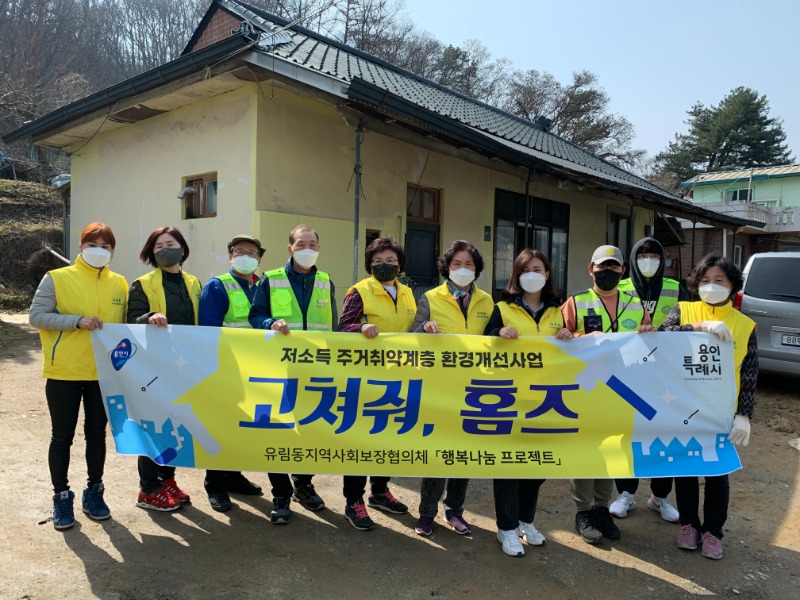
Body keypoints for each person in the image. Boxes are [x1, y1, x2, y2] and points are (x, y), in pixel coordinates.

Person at [29, 222, 128, 530]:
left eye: (106, 246)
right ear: (81, 247)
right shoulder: (57, 278)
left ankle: (94, 492)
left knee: (97, 436)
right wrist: (77, 321)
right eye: (93, 244)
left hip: (103, 375)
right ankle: (61, 497)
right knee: (62, 437)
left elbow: (125, 326)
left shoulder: (120, 284)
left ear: (112, 251)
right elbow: (36, 316)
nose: (99, 250)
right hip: (64, 372)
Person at [659, 253, 757, 560]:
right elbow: (660, 338)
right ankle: (689, 525)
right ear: (695, 284)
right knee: (686, 469)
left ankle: (714, 532)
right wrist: (699, 326)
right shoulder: (684, 310)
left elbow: (750, 371)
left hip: (721, 412)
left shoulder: (745, 325)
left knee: (717, 472)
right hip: (684, 408)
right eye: (705, 281)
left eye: (719, 281)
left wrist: (744, 415)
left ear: (732, 286)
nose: (711, 286)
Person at [561, 244, 655, 544]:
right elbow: (558, 341)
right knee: (586, 449)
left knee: (611, 450)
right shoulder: (576, 302)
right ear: (591, 269)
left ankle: (602, 507)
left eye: (613, 267)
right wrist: (584, 338)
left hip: (621, 392)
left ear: (622, 271)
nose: (607, 272)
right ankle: (583, 511)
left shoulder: (635, 303)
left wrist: (648, 336)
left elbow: (650, 344)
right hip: (586, 389)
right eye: (602, 267)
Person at [484, 248, 572, 556]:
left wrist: (566, 334)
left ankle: (526, 521)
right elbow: (482, 343)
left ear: (547, 274)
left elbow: (570, 348)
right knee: (508, 465)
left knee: (537, 464)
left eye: (538, 269)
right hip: (509, 397)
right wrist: (498, 332)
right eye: (525, 270)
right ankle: (506, 528)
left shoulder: (557, 309)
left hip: (545, 399)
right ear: (516, 276)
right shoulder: (502, 307)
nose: (532, 274)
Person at [249, 224, 338, 519]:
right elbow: (255, 316)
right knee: (278, 431)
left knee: (310, 430)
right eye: (300, 245)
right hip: (278, 369)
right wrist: (270, 323)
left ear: (319, 248)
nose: (307, 249)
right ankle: (281, 494)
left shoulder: (326, 281)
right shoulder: (271, 280)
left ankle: (304, 485)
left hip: (315, 370)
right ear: (289, 249)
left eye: (312, 244)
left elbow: (333, 328)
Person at [410, 239, 493, 537]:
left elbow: (494, 338)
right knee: (438, 454)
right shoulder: (430, 298)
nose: (462, 269)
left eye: (469, 264)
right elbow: (412, 336)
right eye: (456, 264)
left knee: (464, 456)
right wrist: (424, 328)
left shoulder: (486, 301)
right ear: (447, 267)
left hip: (475, 389)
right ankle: (426, 513)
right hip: (440, 389)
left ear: (477, 269)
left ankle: (455, 511)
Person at [337, 237, 416, 530]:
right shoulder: (359, 291)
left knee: (388, 438)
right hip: (365, 379)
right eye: (379, 261)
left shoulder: (408, 293)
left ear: (400, 265)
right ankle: (352, 501)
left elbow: (413, 329)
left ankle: (380, 492)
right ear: (370, 263)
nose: (385, 265)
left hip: (398, 379)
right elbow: (342, 327)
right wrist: (361, 327)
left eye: (391, 261)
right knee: (361, 441)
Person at [611, 237, 686, 522]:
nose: (649, 260)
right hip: (628, 372)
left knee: (663, 433)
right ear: (632, 259)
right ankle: (626, 493)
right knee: (627, 432)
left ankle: (660, 497)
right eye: (643, 255)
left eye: (655, 255)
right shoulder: (621, 288)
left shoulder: (675, 288)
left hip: (665, 375)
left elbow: (688, 327)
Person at [128, 226, 200, 511]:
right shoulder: (143, 283)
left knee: (174, 426)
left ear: (182, 249)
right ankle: (149, 488)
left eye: (170, 244)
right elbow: (131, 319)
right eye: (158, 247)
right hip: (153, 367)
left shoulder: (194, 282)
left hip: (184, 367)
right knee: (153, 425)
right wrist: (149, 316)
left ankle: (167, 479)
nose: (164, 250)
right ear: (151, 253)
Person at [198, 234, 266, 512]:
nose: (245, 256)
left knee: (242, 428)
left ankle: (234, 475)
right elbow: (208, 331)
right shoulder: (218, 286)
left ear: (259, 258)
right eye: (239, 251)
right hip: (225, 369)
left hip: (257, 370)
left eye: (251, 252)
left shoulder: (264, 285)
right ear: (230, 257)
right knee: (221, 426)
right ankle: (214, 482)